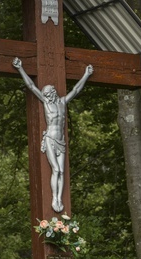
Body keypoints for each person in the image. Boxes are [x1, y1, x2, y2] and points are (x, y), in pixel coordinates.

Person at [12, 57, 94, 213]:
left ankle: (59, 199)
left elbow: (76, 90)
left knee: (62, 171)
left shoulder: (62, 102)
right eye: (49, 92)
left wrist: (86, 74)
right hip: (50, 138)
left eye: (51, 91)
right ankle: (55, 197)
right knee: (55, 169)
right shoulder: (46, 103)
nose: (51, 93)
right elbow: (31, 86)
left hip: (61, 140)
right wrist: (20, 68)